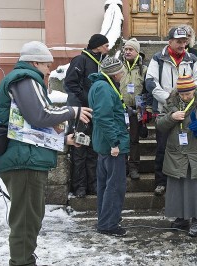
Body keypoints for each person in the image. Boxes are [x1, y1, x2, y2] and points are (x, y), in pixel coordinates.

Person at [0, 41, 92, 265]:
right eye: (47, 66)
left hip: (25, 157)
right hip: (24, 161)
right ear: (35, 62)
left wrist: (63, 139)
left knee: (29, 219)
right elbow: (40, 116)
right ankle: (22, 262)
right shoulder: (26, 79)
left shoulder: (23, 79)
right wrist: (72, 111)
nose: (49, 71)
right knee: (26, 220)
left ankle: (24, 259)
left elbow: (28, 127)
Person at [156, 75, 197, 236]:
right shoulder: (170, 104)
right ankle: (181, 218)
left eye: (188, 93)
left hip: (195, 153)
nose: (185, 97)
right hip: (176, 152)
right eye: (182, 94)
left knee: (194, 188)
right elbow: (160, 125)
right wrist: (171, 117)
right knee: (177, 187)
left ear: (194, 90)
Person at [145, 26, 197, 196]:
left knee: (184, 147)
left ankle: (180, 180)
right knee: (163, 148)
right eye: (178, 41)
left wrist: (189, 99)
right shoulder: (158, 58)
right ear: (170, 42)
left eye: (184, 41)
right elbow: (150, 82)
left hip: (186, 111)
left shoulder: (192, 58)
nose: (182, 45)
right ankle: (161, 182)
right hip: (164, 112)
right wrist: (169, 99)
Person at [88, 56, 130, 237]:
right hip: (112, 145)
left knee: (105, 184)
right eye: (121, 71)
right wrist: (115, 142)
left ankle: (105, 219)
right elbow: (104, 118)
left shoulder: (99, 85)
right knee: (114, 185)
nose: (122, 74)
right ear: (114, 73)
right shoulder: (105, 88)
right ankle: (109, 224)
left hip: (104, 143)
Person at [64, 33, 109, 197]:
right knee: (79, 148)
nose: (108, 48)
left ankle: (93, 184)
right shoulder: (80, 60)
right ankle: (80, 186)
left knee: (93, 149)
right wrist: (85, 100)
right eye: (106, 45)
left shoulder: (102, 62)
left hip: (95, 112)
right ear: (97, 46)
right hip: (80, 112)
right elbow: (70, 84)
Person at [119, 38, 149, 180]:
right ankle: (123, 166)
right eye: (126, 49)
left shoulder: (144, 69)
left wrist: (145, 110)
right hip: (121, 108)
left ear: (137, 52)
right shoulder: (119, 67)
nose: (127, 51)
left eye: (131, 49)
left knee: (134, 139)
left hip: (137, 108)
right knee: (122, 138)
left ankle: (134, 167)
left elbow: (147, 90)